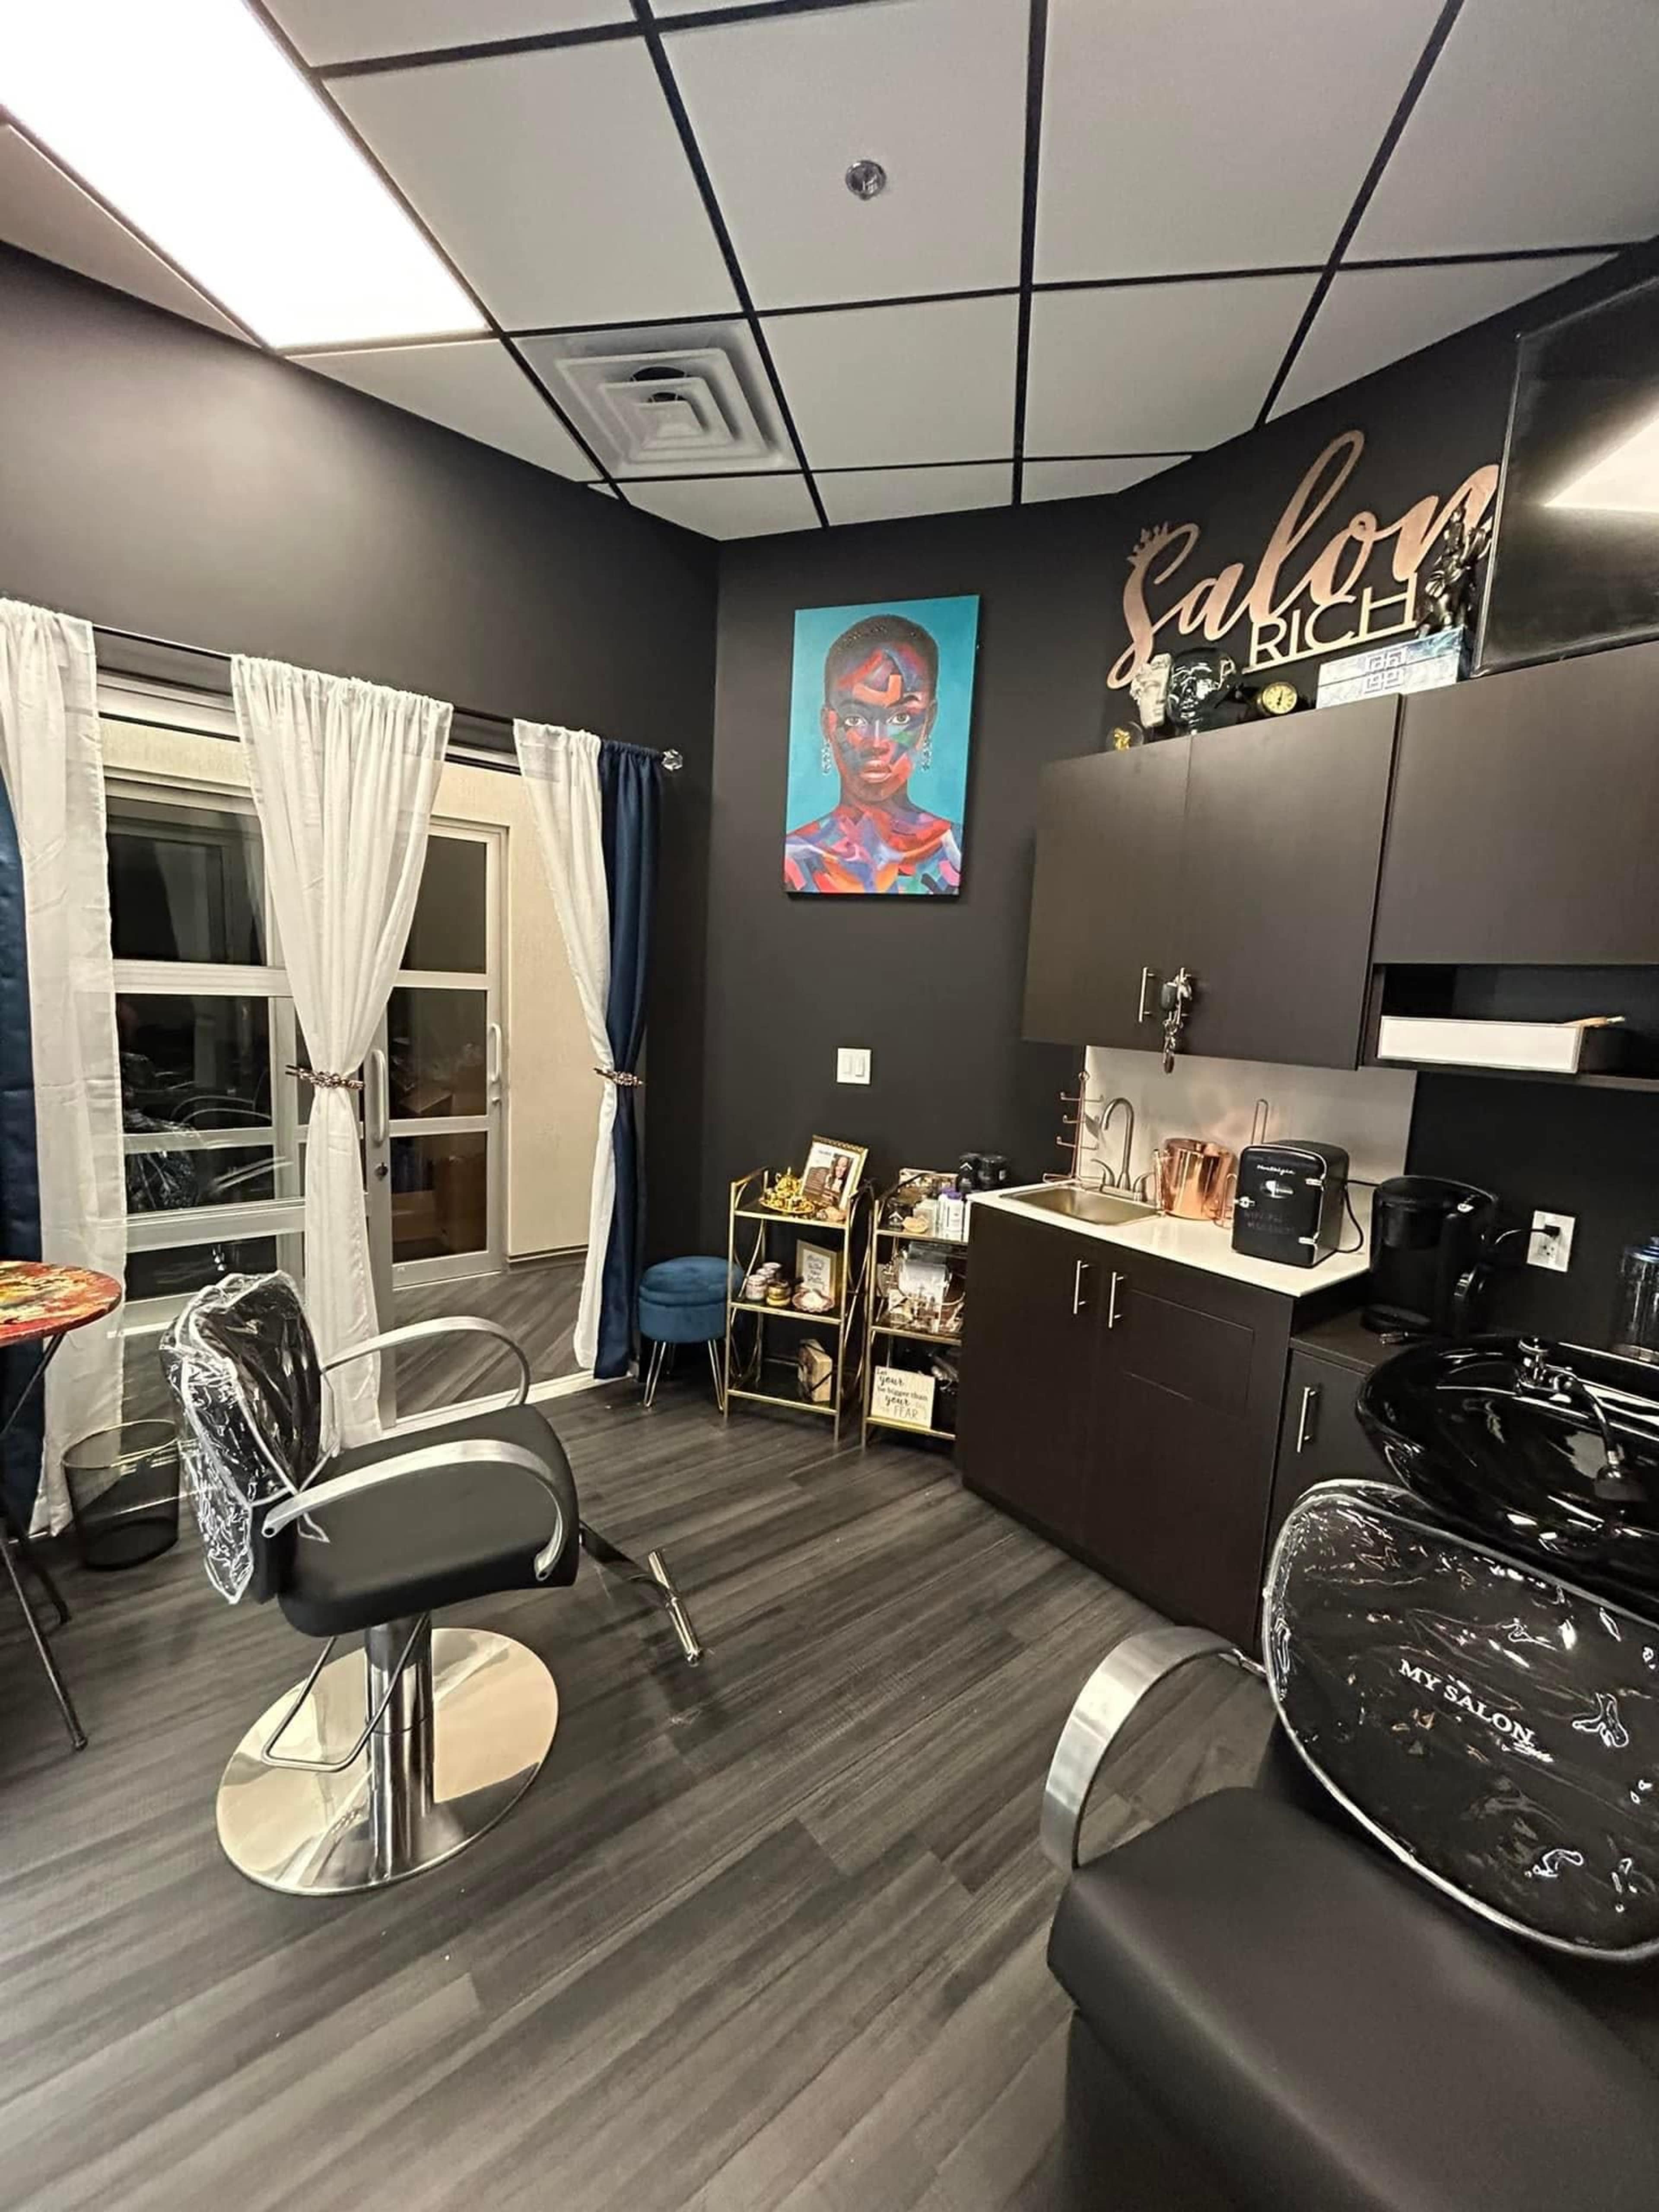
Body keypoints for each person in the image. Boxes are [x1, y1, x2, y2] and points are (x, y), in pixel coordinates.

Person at [784, 613, 962, 895]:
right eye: (855, 718)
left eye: (902, 718)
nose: (877, 742)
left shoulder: (957, 851)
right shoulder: (792, 858)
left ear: (929, 722)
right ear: (827, 724)